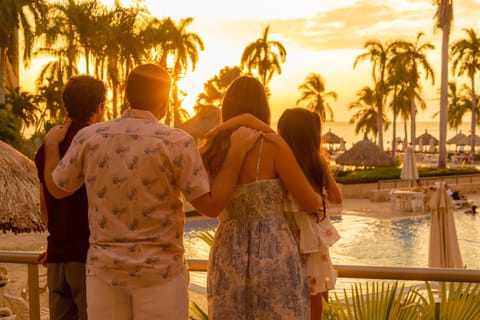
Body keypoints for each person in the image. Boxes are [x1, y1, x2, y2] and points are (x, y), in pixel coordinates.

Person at [42, 64, 261, 320]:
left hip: (105, 275)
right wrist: (235, 154)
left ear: (126, 96)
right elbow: (210, 206)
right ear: (165, 102)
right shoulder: (176, 142)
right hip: (161, 277)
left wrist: (51, 148)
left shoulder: (90, 138)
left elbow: (56, 188)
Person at [201, 76, 323, 319]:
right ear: (263, 108)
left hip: (228, 250)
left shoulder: (210, 149)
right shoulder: (274, 145)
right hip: (274, 247)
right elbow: (311, 202)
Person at [34, 75, 106, 320]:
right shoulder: (98, 145)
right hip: (88, 258)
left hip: (56, 258)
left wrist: (60, 235)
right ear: (99, 107)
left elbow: (45, 208)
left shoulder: (48, 146)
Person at [278, 108, 341, 320]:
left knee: (287, 296)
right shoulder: (316, 163)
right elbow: (336, 196)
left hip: (285, 233)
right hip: (312, 236)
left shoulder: (280, 163)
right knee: (315, 295)